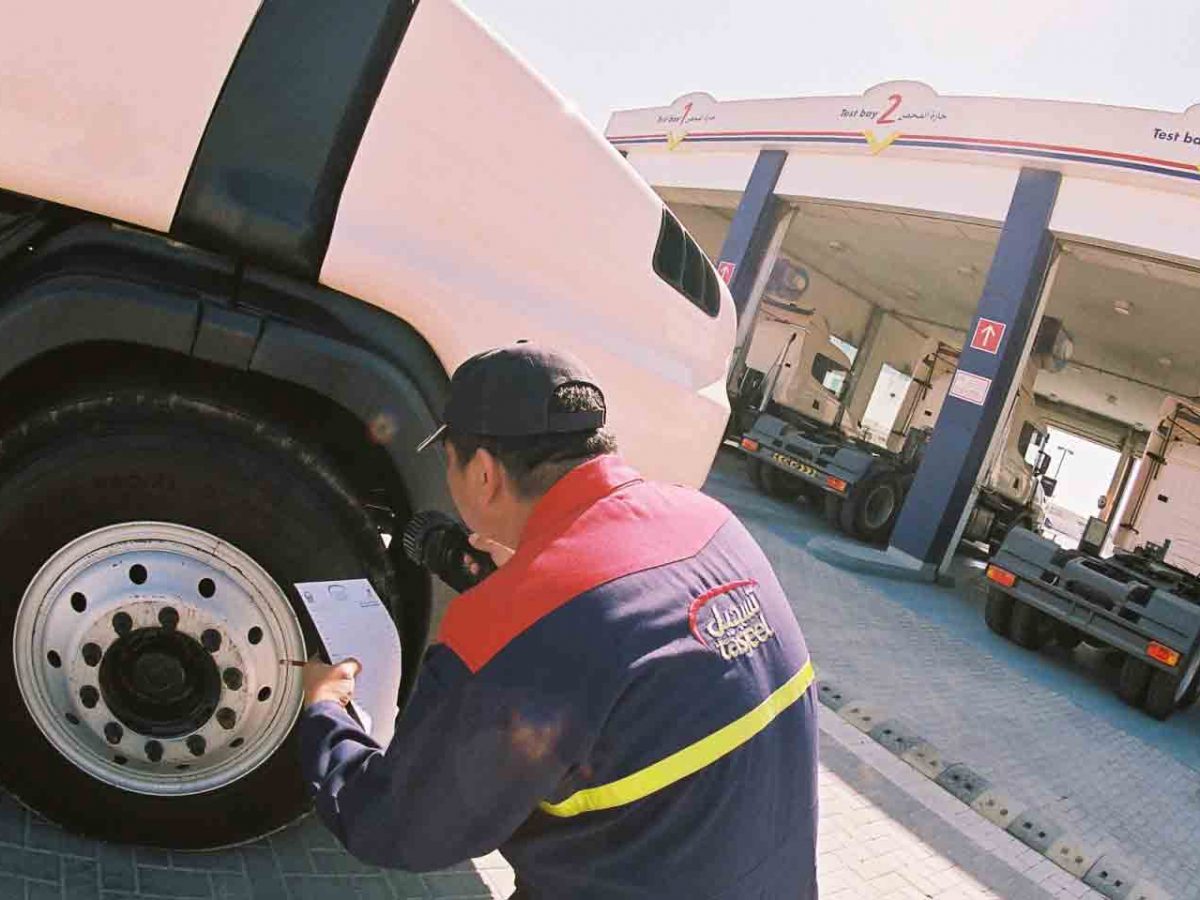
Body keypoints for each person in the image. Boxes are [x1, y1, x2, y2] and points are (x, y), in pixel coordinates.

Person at [299, 342, 819, 899]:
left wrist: (325, 710)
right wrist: (536, 581)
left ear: (482, 473)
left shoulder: (509, 628)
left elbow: (397, 824)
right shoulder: (712, 521)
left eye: (447, 460)